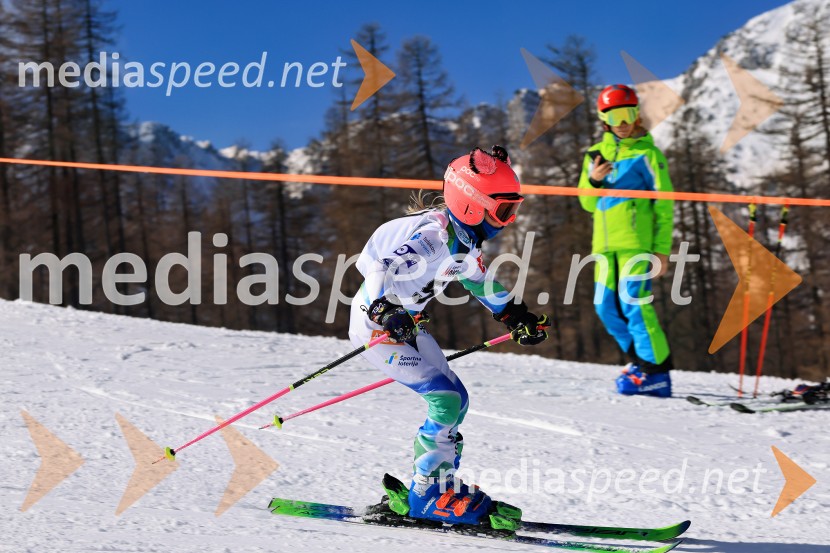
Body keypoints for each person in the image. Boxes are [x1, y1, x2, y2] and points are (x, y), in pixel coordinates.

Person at [349, 146, 549, 528]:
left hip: (405, 325)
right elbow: (380, 267)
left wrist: (514, 315)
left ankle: (436, 483)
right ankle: (428, 494)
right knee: (444, 399)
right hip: (376, 326)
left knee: (458, 401)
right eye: (505, 210)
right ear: (474, 205)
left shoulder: (464, 240)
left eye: (513, 209)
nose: (509, 220)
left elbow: (477, 280)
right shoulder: (433, 236)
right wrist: (381, 309)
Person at [577, 84, 675, 398]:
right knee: (605, 307)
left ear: (637, 115)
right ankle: (640, 362)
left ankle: (656, 374)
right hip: (604, 247)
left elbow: (664, 204)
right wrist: (594, 180)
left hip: (636, 243)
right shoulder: (595, 154)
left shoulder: (648, 154)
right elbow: (586, 203)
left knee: (634, 304)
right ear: (603, 118)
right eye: (615, 115)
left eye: (628, 113)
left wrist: (661, 250)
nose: (622, 121)